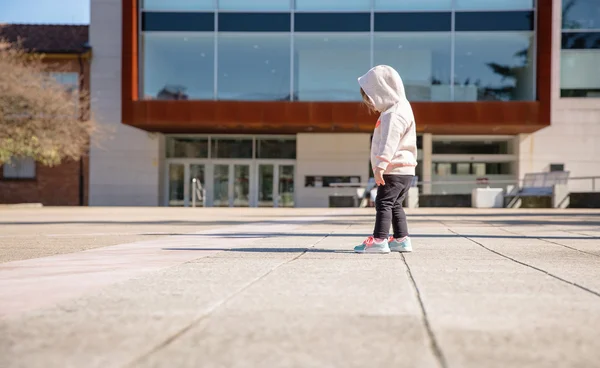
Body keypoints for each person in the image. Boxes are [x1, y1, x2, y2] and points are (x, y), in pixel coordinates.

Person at [354, 65, 417, 254]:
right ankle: (401, 239)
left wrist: (380, 165)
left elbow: (389, 142)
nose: (371, 104)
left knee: (383, 203)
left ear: (382, 91)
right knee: (395, 204)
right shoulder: (402, 108)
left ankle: (379, 240)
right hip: (405, 170)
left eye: (371, 99)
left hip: (392, 168)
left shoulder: (393, 114)